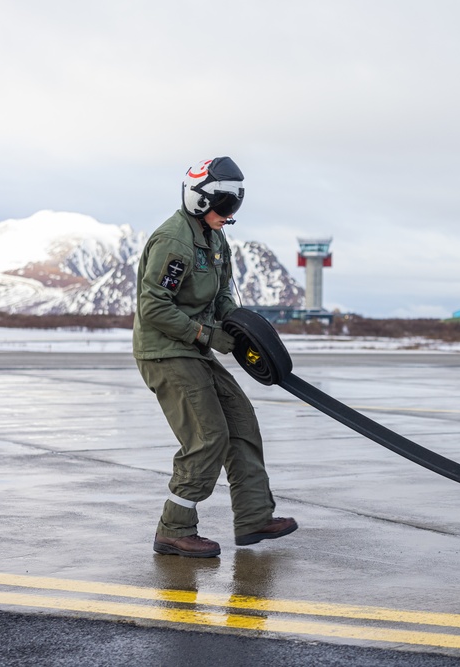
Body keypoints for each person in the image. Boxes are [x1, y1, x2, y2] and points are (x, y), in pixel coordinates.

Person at [133, 156, 297, 558]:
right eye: (224, 206)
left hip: (196, 349)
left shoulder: (215, 236)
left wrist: (236, 329)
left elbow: (223, 292)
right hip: (166, 352)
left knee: (242, 424)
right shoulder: (174, 241)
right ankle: (174, 529)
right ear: (200, 201)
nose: (229, 215)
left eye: (234, 205)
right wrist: (206, 334)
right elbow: (153, 306)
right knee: (207, 438)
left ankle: (254, 517)